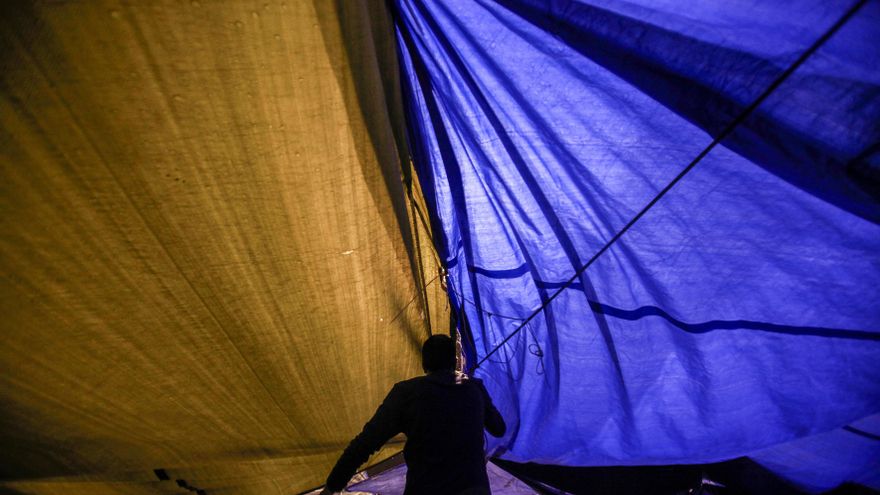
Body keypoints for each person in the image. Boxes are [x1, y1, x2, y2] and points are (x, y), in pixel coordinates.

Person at [320, 334, 506, 495]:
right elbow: (498, 428)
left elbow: (365, 443)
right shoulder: (474, 388)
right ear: (454, 361)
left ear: (424, 363)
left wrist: (332, 485)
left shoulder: (407, 393)